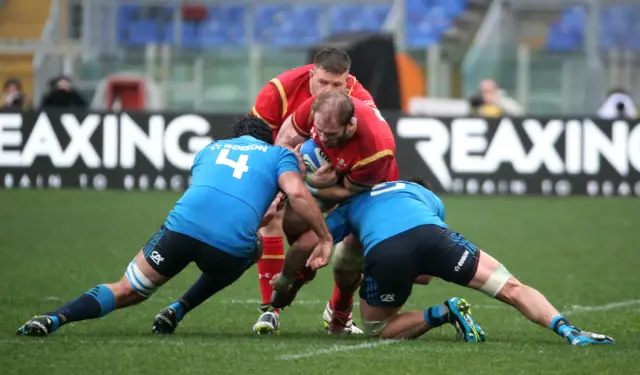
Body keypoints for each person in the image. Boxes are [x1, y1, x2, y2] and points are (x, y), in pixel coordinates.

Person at [16, 116, 332, 336]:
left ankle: (54, 318)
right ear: (268, 140)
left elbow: (214, 199)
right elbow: (295, 192)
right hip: (228, 247)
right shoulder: (278, 154)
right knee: (255, 248)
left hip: (181, 229)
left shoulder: (209, 150)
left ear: (236, 137)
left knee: (129, 289)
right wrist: (323, 235)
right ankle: (180, 308)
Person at [273, 179, 616, 345]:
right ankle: (570, 331)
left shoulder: (351, 204)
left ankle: (442, 312)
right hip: (436, 239)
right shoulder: (426, 195)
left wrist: (290, 281)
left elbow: (314, 240)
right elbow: (427, 261)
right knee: (511, 287)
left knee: (378, 329)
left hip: (387, 254)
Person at [271, 90, 400, 334]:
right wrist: (292, 163)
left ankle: (339, 313)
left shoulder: (376, 149)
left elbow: (347, 193)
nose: (321, 137)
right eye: (318, 131)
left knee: (345, 260)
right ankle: (298, 274)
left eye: (330, 134)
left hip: (368, 195)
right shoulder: (319, 107)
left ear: (350, 126)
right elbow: (286, 139)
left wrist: (310, 183)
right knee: (294, 223)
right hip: (326, 181)